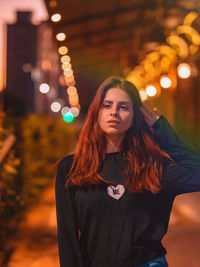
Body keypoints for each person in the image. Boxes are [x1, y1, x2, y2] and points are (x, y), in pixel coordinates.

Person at [55, 76, 200, 267]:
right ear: (96, 111)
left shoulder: (153, 167)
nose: (114, 112)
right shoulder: (71, 167)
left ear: (135, 117)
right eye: (107, 105)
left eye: (123, 107)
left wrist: (162, 131)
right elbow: (67, 235)